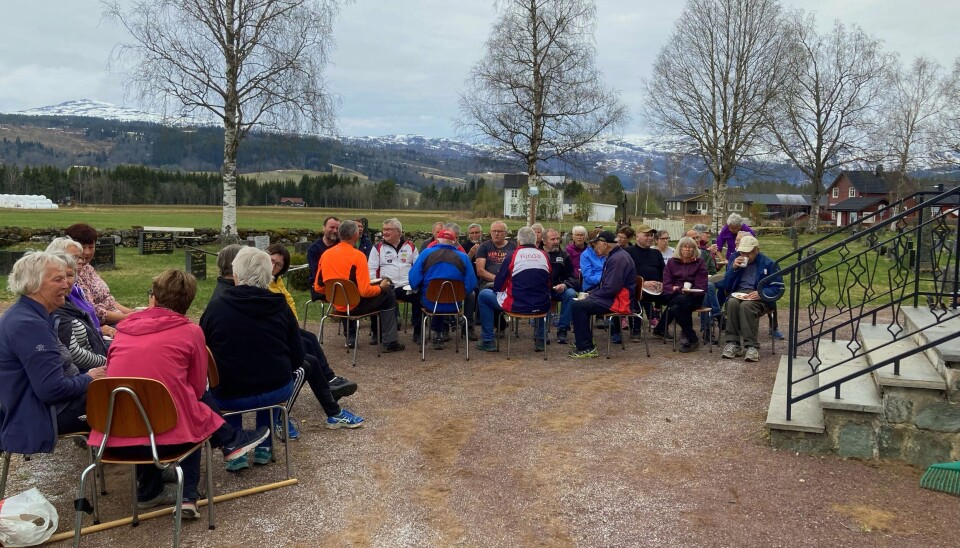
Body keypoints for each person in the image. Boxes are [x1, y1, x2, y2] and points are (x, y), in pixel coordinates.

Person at [88, 269, 270, 517]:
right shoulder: (191, 332)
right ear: (188, 302)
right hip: (166, 436)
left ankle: (151, 490)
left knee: (154, 406)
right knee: (191, 413)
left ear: (153, 298)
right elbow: (196, 388)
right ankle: (188, 497)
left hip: (115, 432)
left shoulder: (122, 331)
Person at [204, 247, 363, 471]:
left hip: (231, 396)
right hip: (275, 389)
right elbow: (298, 354)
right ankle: (265, 448)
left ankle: (235, 449)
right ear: (268, 275)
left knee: (232, 379)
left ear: (236, 274)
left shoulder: (216, 308)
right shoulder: (279, 306)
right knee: (265, 383)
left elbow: (205, 353)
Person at [0, 252, 106, 455]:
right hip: (40, 415)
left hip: (34, 407)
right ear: (33, 285)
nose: (67, 284)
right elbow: (51, 390)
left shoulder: (26, 314)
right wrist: (88, 378)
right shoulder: (30, 325)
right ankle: (148, 471)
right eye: (58, 279)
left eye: (66, 278)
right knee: (125, 397)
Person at [315, 220, 405, 352]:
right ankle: (389, 341)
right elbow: (365, 291)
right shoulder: (358, 256)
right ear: (356, 235)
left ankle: (355, 336)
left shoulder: (326, 254)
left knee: (365, 295)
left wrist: (338, 293)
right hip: (355, 305)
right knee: (389, 292)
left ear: (340, 235)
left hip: (336, 303)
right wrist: (381, 287)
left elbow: (318, 286)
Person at [476, 227, 551, 352]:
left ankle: (488, 340)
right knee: (544, 296)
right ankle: (541, 339)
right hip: (540, 305)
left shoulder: (512, 255)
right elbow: (549, 282)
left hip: (516, 304)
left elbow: (499, 283)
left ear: (518, 242)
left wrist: (500, 289)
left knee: (484, 295)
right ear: (535, 240)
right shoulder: (545, 255)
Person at [568, 232, 637, 359]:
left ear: (605, 244)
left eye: (597, 244)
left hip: (619, 301)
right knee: (580, 304)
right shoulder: (615, 256)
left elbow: (611, 289)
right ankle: (585, 340)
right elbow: (608, 287)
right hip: (614, 298)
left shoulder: (618, 259)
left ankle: (586, 347)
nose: (595, 248)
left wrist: (592, 296)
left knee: (579, 306)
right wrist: (592, 294)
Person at [409, 229, 477, 348]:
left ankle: (432, 332)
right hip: (454, 304)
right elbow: (471, 284)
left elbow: (413, 281)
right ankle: (443, 331)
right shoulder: (464, 257)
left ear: (437, 240)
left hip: (430, 303)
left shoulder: (426, 253)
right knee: (442, 299)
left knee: (424, 297)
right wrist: (461, 294)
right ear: (454, 241)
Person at [721, 236, 783, 362]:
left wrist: (761, 293)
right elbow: (726, 285)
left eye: (748, 253)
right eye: (742, 252)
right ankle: (733, 343)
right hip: (739, 294)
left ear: (756, 250)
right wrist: (733, 269)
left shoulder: (768, 263)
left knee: (746, 306)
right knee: (732, 303)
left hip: (760, 297)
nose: (745, 255)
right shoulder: (735, 260)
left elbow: (778, 287)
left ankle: (751, 346)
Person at [64, 223, 135, 325]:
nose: (87, 252)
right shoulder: (71, 274)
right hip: (101, 325)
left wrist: (132, 312)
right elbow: (92, 311)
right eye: (83, 247)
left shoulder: (88, 268)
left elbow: (108, 299)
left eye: (91, 247)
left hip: (117, 317)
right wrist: (127, 317)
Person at [368, 218, 422, 344]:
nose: (385, 233)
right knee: (374, 297)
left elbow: (418, 268)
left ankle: (418, 332)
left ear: (398, 232)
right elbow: (371, 269)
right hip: (387, 286)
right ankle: (376, 333)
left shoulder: (411, 247)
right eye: (384, 229)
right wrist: (377, 284)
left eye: (389, 230)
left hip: (406, 286)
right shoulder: (377, 248)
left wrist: (415, 283)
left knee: (420, 298)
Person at [50, 252, 108, 370]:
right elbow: (74, 355)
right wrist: (108, 363)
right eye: (59, 278)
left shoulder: (67, 301)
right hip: (87, 375)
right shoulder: (54, 309)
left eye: (70, 275)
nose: (65, 283)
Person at [661, 237, 708, 353]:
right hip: (675, 295)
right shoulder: (672, 262)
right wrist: (677, 289)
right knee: (681, 302)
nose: (687, 249)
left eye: (690, 246)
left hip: (694, 297)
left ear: (694, 249)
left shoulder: (700, 263)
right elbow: (666, 284)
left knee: (677, 308)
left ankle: (688, 336)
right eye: (684, 246)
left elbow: (702, 286)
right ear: (680, 248)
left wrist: (687, 290)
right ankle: (691, 337)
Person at [542, 228, 578, 345]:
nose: (556, 241)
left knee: (571, 293)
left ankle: (562, 329)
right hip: (542, 288)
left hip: (559, 288)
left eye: (558, 239)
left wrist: (565, 284)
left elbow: (572, 277)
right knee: (541, 295)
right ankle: (541, 333)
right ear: (544, 241)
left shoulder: (564, 255)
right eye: (552, 239)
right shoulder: (537, 254)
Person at [474, 220, 517, 290]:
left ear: (506, 233)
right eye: (493, 231)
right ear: (490, 233)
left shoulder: (513, 247)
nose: (496, 234)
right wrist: (498, 279)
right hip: (488, 284)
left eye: (499, 231)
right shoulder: (484, 246)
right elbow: (480, 271)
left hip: (508, 284)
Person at [307, 216, 340, 300]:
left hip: (341, 284)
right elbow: (316, 272)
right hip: (320, 286)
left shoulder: (342, 246)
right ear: (324, 228)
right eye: (332, 227)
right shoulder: (314, 249)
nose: (335, 231)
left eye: (337, 228)